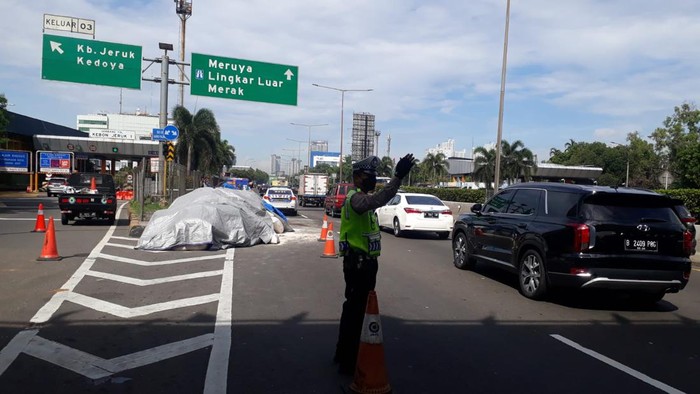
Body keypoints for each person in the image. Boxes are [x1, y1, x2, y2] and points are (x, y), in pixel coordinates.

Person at [333, 153, 415, 375]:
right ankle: (347, 361)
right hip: (357, 265)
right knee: (355, 312)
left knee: (356, 310)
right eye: (369, 176)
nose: (373, 180)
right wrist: (397, 177)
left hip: (366, 265)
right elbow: (379, 199)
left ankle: (344, 354)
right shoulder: (356, 199)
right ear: (358, 177)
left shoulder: (361, 199)